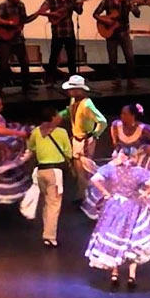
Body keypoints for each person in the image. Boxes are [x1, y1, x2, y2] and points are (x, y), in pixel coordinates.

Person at [82, 103, 150, 226]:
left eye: (125, 114)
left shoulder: (142, 128)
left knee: (147, 185)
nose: (122, 116)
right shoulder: (117, 125)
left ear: (133, 115)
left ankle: (147, 212)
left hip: (142, 158)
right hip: (125, 158)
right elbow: (115, 137)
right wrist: (118, 147)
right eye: (121, 113)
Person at [85, 146, 150, 290]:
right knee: (132, 240)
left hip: (115, 206)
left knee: (115, 236)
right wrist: (145, 193)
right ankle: (131, 276)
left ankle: (115, 274)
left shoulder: (111, 169)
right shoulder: (139, 172)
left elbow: (95, 179)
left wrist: (105, 192)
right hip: (133, 206)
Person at [58, 75, 107, 203]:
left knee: (84, 170)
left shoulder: (87, 104)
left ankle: (87, 196)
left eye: (72, 89)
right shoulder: (74, 101)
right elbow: (70, 112)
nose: (69, 92)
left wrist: (94, 134)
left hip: (84, 140)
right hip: (76, 138)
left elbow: (102, 121)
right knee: (77, 169)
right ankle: (83, 194)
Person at [27, 107, 71, 248]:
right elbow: (68, 153)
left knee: (47, 202)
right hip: (55, 172)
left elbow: (31, 148)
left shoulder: (35, 132)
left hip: (41, 171)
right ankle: (49, 236)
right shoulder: (61, 132)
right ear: (52, 117)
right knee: (54, 204)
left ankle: (47, 231)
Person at [0, 0, 45, 94]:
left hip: (17, 39)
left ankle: (26, 86)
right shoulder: (3, 6)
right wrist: (9, 23)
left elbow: (24, 20)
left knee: (25, 62)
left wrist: (37, 14)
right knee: (3, 64)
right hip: (5, 40)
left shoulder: (21, 6)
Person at [93, 0, 140, 89]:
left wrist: (133, 8)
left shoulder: (127, 0)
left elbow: (137, 14)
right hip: (111, 34)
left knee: (130, 57)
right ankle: (116, 79)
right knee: (112, 59)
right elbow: (95, 14)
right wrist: (106, 20)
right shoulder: (106, 1)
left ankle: (131, 79)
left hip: (124, 32)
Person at [39, 0, 84, 83]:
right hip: (57, 33)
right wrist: (52, 14)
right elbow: (41, 11)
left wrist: (80, 5)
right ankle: (50, 81)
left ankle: (73, 80)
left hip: (69, 32)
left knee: (71, 58)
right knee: (53, 57)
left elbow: (79, 12)